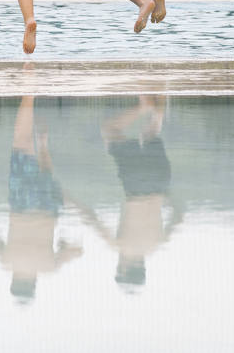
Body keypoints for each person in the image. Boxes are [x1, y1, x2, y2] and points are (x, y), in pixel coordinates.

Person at [68, 97, 183, 290]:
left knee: (150, 134)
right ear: (125, 268)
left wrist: (165, 195)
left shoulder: (157, 244)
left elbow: (179, 215)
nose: (118, 264)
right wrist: (68, 199)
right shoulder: (120, 246)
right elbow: (91, 218)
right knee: (110, 130)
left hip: (160, 182)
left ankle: (158, 112)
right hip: (136, 185)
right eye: (119, 268)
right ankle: (144, 106)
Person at [0, 96, 82, 301]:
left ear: (34, 282)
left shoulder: (48, 267)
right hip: (22, 205)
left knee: (47, 179)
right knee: (21, 143)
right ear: (14, 280)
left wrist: (64, 246)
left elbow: (76, 251)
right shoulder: (7, 263)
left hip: (48, 208)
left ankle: (43, 144)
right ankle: (28, 95)